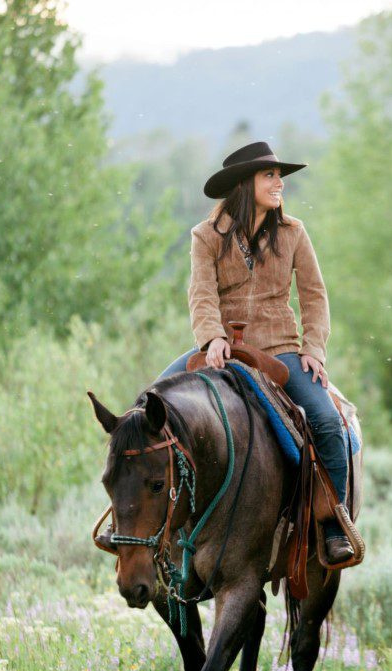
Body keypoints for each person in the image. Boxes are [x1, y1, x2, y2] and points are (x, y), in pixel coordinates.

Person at [157, 141, 354, 565]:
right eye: (270, 175)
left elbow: (315, 296)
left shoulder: (293, 233)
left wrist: (314, 349)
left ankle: (333, 526)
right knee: (151, 403)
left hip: (281, 350)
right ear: (246, 184)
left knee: (324, 418)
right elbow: (202, 295)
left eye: (279, 175)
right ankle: (152, 532)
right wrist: (211, 338)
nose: (279, 182)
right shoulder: (205, 236)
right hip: (220, 350)